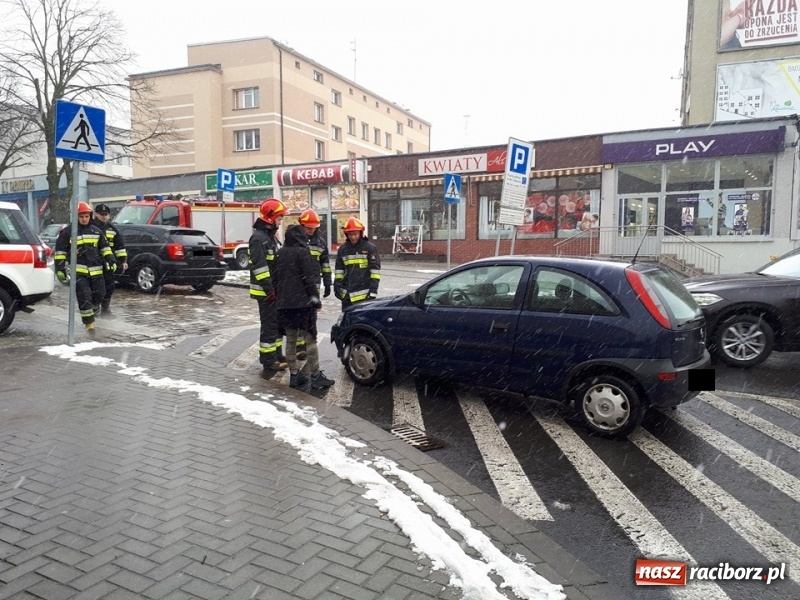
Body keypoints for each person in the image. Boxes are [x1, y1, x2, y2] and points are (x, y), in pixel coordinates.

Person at [273, 224, 334, 389]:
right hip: (302, 305)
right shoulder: (302, 252)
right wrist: (316, 300)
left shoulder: (280, 253)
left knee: (291, 339)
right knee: (310, 340)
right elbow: (309, 279)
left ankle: (294, 375)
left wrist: (280, 299)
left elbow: (275, 279)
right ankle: (315, 376)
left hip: (285, 305)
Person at [53, 201, 116, 337]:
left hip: (97, 271)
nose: (84, 219)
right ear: (76, 217)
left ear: (90, 216)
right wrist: (60, 269)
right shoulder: (68, 232)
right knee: (84, 297)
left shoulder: (96, 231)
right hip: (79, 272)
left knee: (100, 294)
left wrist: (111, 260)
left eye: (86, 216)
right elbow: (60, 252)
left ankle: (93, 309)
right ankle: (90, 325)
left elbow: (105, 247)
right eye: (81, 216)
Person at [249, 198, 289, 371]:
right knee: (269, 326)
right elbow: (260, 268)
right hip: (265, 292)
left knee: (277, 324)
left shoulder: (269, 237)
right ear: (271, 218)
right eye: (279, 218)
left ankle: (277, 354)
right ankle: (268, 360)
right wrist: (269, 290)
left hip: (274, 290)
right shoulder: (258, 239)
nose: (280, 222)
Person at [294, 208, 332, 360]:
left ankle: (310, 345)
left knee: (311, 317)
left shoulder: (320, 243)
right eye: (307, 228)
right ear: (301, 225)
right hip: (297, 286)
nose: (310, 230)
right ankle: (299, 347)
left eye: (313, 228)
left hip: (314, 286)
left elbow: (325, 264)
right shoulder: (295, 241)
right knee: (298, 316)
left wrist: (328, 282)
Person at [333, 217, 381, 310]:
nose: (353, 237)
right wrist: (336, 286)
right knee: (346, 322)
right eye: (350, 234)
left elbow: (375, 272)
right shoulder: (343, 249)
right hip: (347, 295)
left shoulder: (370, 248)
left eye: (355, 234)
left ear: (360, 233)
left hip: (364, 295)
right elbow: (339, 270)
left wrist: (373, 292)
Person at [92, 203, 127, 317]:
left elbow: (120, 247)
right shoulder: (90, 227)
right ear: (96, 214)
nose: (104, 217)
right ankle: (94, 306)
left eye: (106, 214)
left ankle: (105, 309)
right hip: (93, 262)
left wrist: (122, 261)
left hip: (109, 263)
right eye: (101, 214)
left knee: (109, 287)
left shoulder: (112, 229)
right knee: (96, 287)